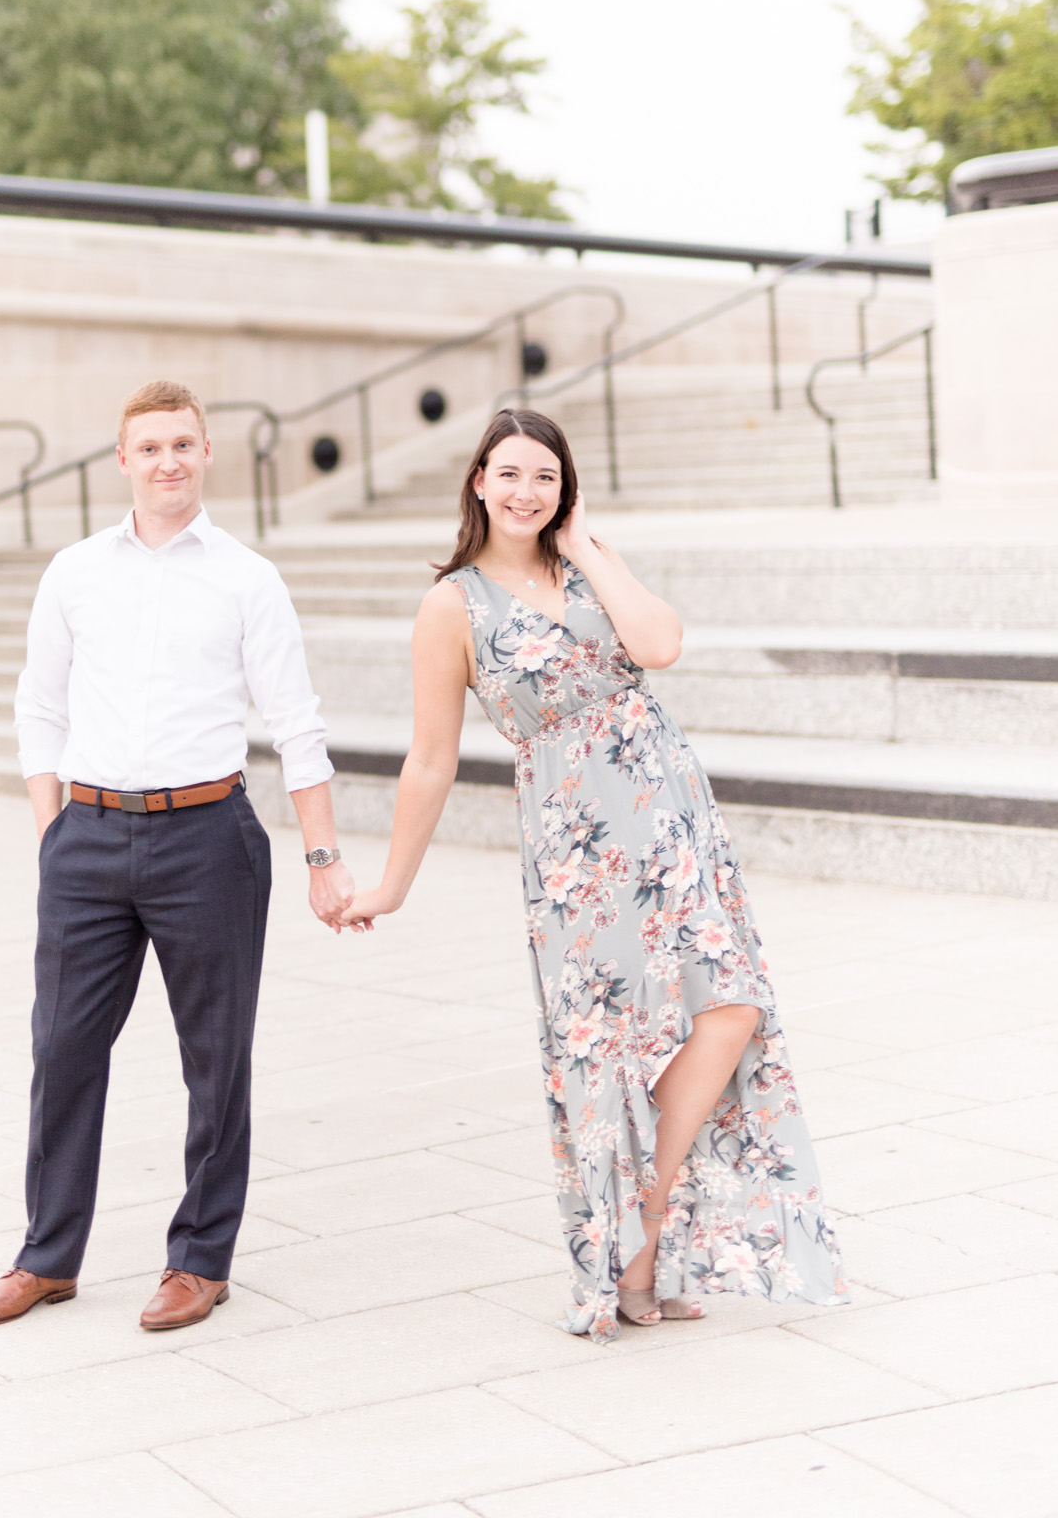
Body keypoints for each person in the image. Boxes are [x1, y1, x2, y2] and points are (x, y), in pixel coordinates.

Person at [340, 407, 847, 1339]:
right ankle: (634, 1260)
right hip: (576, 843)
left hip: (669, 811)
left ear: (562, 487)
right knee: (611, 1042)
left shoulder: (584, 566)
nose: (524, 491)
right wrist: (392, 884)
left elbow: (657, 646)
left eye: (543, 475)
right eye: (508, 473)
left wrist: (592, 548)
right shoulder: (450, 603)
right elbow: (430, 759)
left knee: (730, 1007)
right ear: (478, 483)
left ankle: (645, 1216)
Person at [0, 379, 360, 1332]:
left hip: (207, 839)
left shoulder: (246, 578)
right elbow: (39, 703)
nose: (168, 460)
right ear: (123, 460)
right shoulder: (74, 572)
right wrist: (51, 826)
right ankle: (46, 1257)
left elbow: (296, 725)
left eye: (184, 444)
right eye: (151, 447)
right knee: (61, 1050)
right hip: (87, 838)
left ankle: (199, 1260)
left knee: (214, 1061)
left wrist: (324, 858)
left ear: (206, 453)